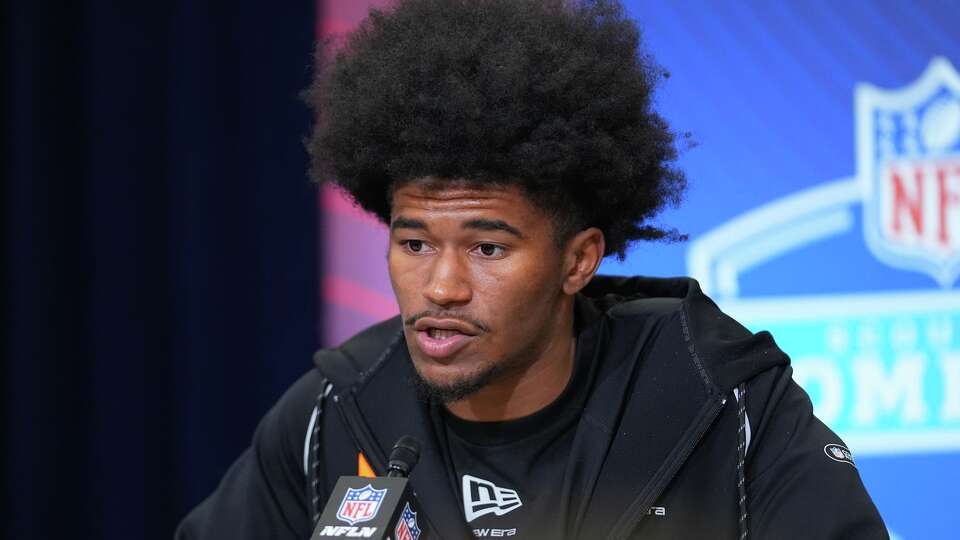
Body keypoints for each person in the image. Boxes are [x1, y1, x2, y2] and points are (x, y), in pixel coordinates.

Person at [176, 0, 887, 538]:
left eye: (487, 248)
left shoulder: (715, 396)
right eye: (415, 243)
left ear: (578, 259)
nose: (442, 287)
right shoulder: (334, 414)